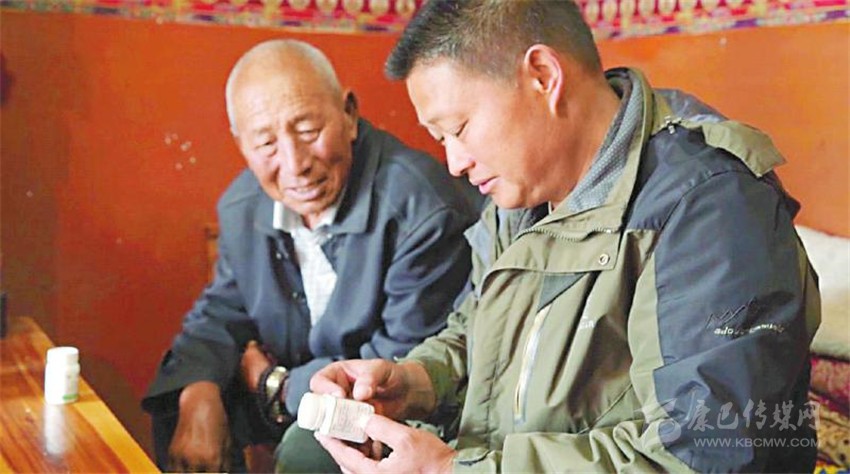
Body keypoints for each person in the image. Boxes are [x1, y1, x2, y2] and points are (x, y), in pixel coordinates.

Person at [309, 1, 822, 472]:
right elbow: (481, 329)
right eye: (439, 138)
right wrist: (416, 381)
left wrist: (452, 470)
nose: (455, 162)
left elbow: (704, 453)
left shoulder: (709, 206)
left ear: (543, 76)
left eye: (459, 128)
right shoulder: (523, 194)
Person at [142, 39, 482, 472]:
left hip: (383, 406)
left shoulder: (420, 208)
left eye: (307, 131)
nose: (295, 163)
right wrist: (198, 391)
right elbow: (221, 311)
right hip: (295, 390)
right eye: (266, 143)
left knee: (308, 450)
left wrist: (278, 385)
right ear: (241, 144)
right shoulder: (244, 206)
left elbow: (406, 361)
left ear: (349, 114)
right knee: (183, 411)